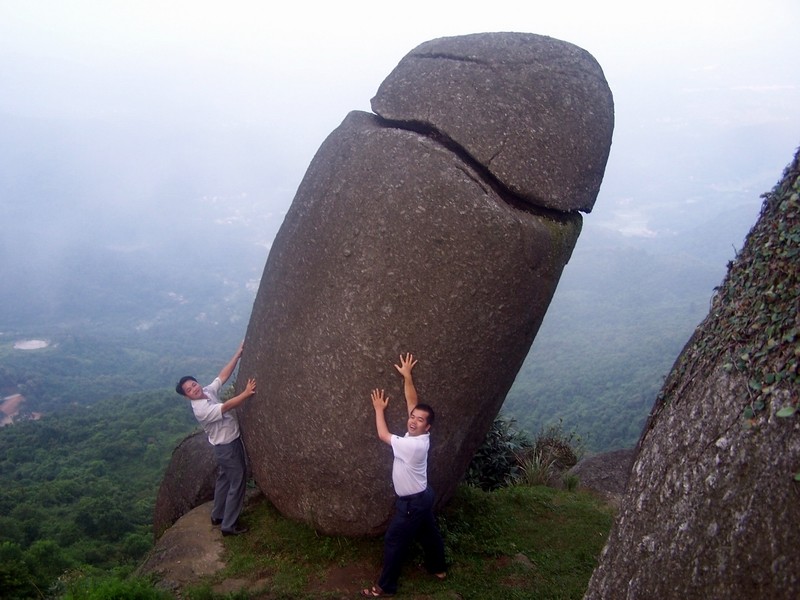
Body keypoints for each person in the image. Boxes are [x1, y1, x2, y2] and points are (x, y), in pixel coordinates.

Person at [362, 352, 447, 598]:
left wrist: (379, 409)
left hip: (412, 503)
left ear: (427, 427)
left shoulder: (413, 445)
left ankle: (384, 587)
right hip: (423, 495)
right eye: (413, 417)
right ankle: (438, 569)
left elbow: (383, 436)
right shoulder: (420, 435)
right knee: (429, 532)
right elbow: (413, 401)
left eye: (419, 420)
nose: (413, 421)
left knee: (394, 540)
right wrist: (407, 376)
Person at [175, 342, 256, 537]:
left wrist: (238, 354)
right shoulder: (201, 409)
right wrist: (245, 393)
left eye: (193, 384)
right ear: (187, 396)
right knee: (237, 481)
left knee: (224, 479)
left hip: (222, 447)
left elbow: (222, 376)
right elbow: (226, 406)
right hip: (227, 446)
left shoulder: (206, 392)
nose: (193, 388)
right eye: (189, 390)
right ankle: (229, 525)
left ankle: (217, 515)